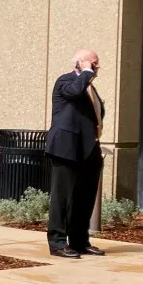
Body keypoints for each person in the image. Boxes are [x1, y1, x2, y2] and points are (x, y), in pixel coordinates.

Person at [44, 49, 105, 258]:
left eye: (96, 64)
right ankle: (58, 243)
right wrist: (86, 72)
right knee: (62, 198)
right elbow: (74, 92)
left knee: (84, 198)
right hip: (66, 148)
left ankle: (79, 241)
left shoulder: (89, 88)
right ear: (80, 63)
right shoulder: (66, 81)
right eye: (93, 63)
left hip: (88, 149)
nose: (97, 67)